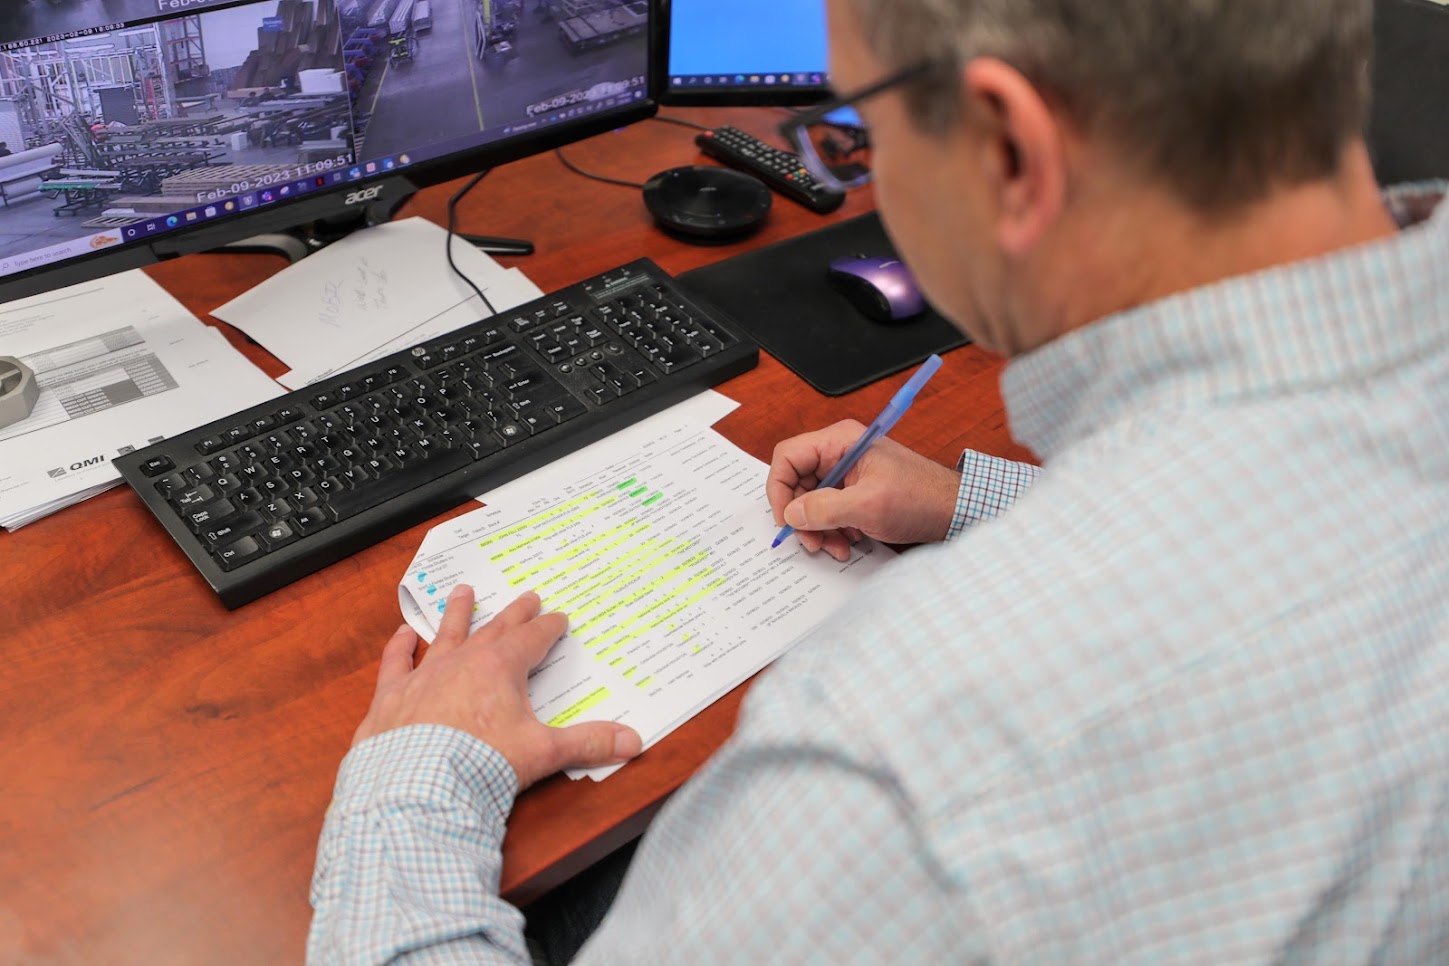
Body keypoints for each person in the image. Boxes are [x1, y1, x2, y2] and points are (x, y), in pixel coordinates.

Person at [308, 0, 1449, 961]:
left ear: (1008, 152)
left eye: (860, 138)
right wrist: (978, 504)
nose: (863, 176)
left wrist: (420, 775)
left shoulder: (911, 760)